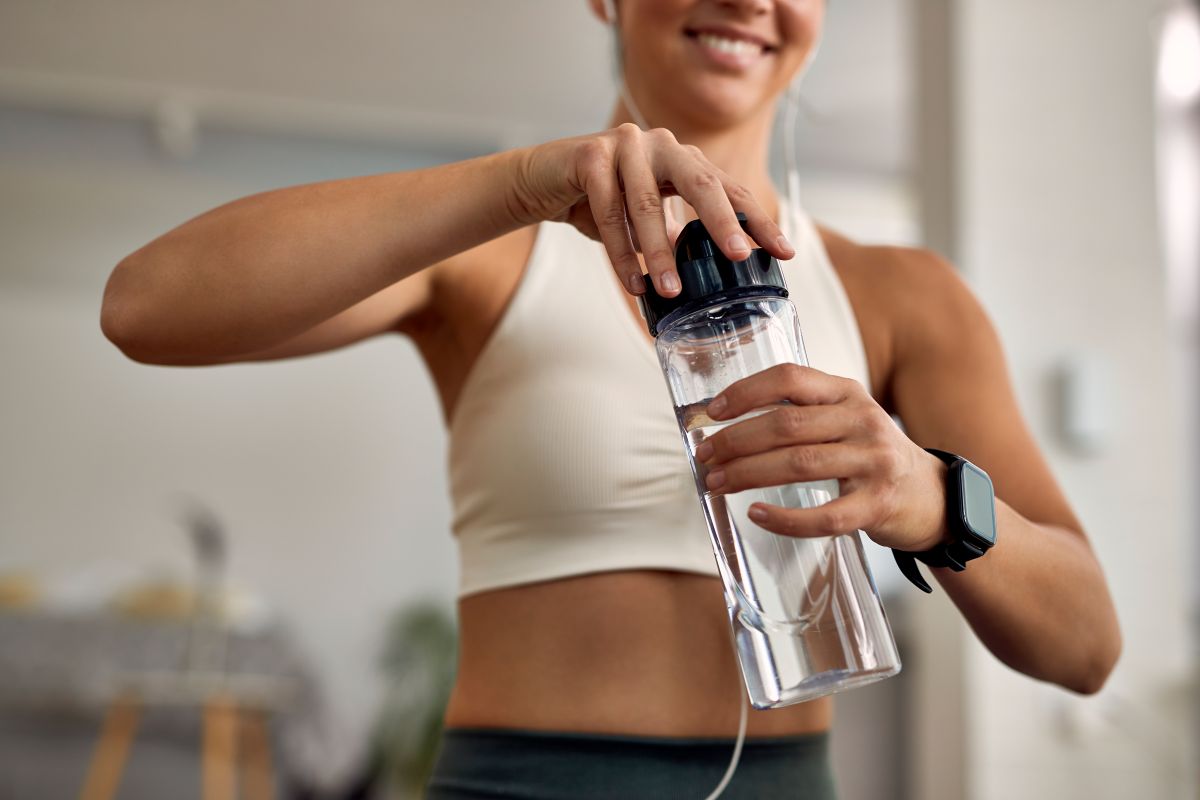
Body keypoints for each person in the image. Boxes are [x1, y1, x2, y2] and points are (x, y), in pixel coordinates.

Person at [99, 0, 1122, 797]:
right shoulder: (495, 252)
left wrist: (930, 492)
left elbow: (1086, 642)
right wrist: (520, 185)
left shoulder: (905, 297)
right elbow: (143, 306)